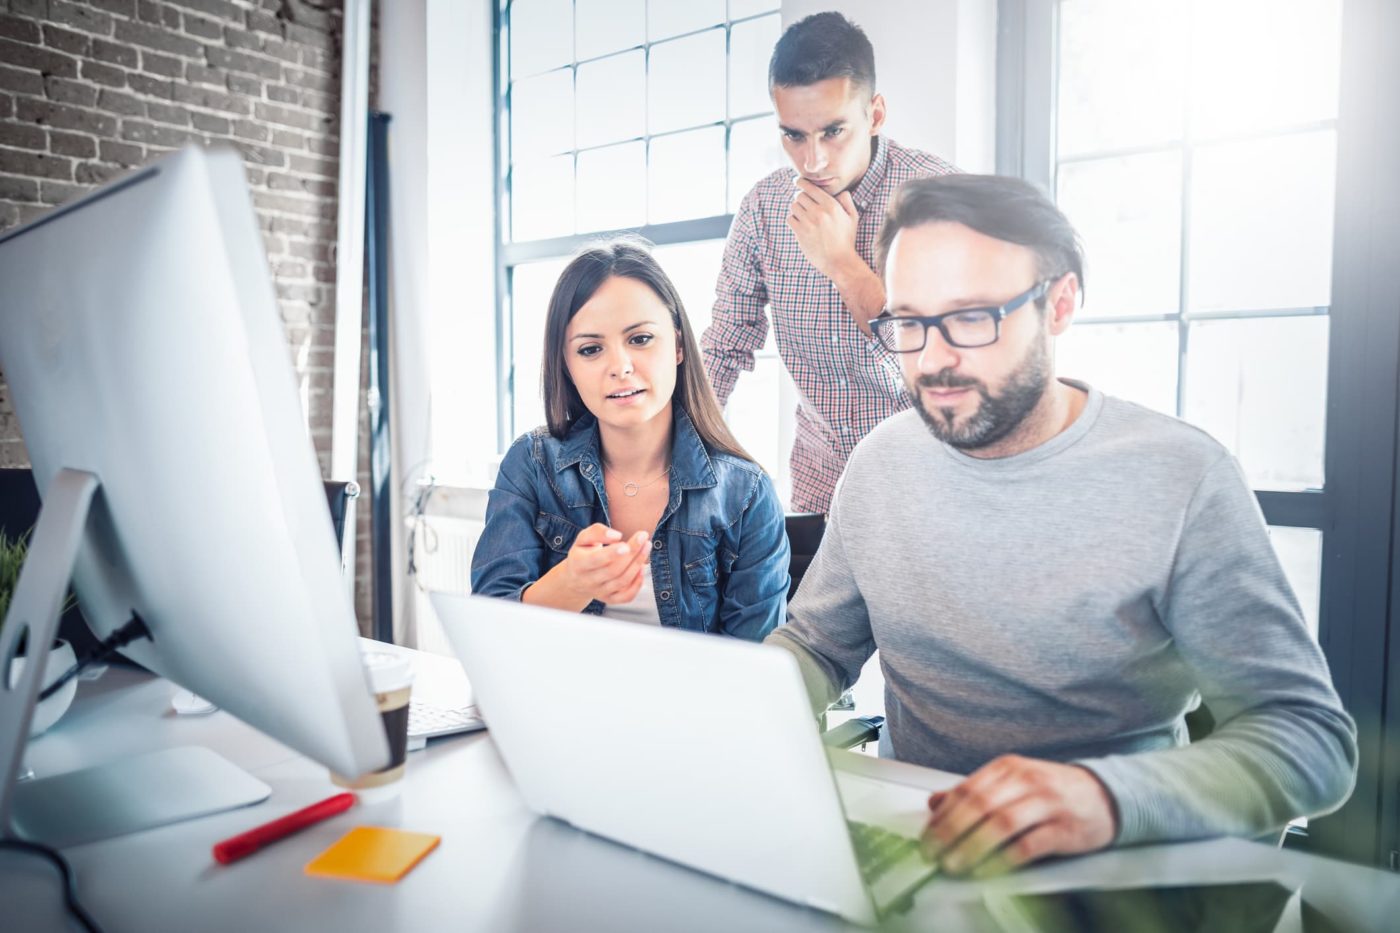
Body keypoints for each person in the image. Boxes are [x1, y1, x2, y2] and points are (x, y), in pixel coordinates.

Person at [766, 174, 1358, 875]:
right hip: (921, 848)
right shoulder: (878, 463)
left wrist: (1104, 797)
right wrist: (724, 700)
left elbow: (1311, 740)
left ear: (1060, 305)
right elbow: (814, 647)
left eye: (970, 318)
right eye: (908, 323)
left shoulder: (1182, 476)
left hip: (1116, 869)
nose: (932, 360)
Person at [701, 11, 957, 513]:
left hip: (930, 479)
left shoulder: (939, 198)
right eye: (794, 135)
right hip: (820, 484)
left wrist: (842, 263)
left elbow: (941, 352)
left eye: (833, 131)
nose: (812, 160)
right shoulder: (764, 208)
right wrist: (661, 455)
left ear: (875, 114)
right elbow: (724, 347)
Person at [472, 240, 790, 640]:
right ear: (567, 366)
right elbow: (488, 631)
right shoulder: (531, 465)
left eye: (640, 339)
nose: (620, 367)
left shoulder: (747, 493)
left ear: (677, 345)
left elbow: (755, 672)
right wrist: (573, 582)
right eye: (590, 349)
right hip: (554, 699)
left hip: (695, 703)